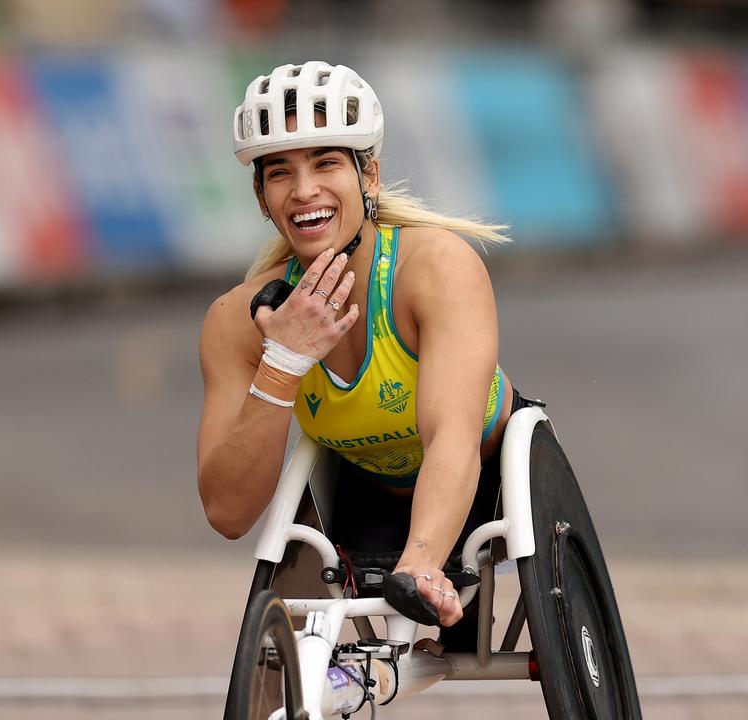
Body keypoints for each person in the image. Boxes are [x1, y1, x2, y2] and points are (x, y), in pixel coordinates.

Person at [197, 61, 539, 647]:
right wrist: (282, 363)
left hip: (484, 484)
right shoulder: (238, 320)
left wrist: (423, 562)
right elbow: (229, 513)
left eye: (326, 163)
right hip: (361, 497)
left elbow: (452, 438)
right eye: (280, 173)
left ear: (369, 175)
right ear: (261, 197)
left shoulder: (435, 268)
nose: (304, 191)